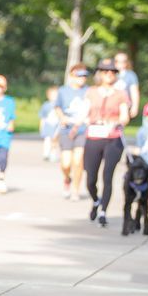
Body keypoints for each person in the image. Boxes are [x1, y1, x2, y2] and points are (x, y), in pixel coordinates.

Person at [84, 59, 130, 227]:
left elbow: (125, 116)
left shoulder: (120, 94)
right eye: (105, 72)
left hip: (112, 138)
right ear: (100, 74)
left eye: (112, 72)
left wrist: (117, 121)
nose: (108, 75)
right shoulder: (92, 92)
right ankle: (96, 200)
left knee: (108, 176)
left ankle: (103, 211)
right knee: (90, 178)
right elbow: (85, 111)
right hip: (94, 136)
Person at [54, 64, 90, 200]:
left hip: (82, 130)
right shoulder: (63, 91)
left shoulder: (89, 91)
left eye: (84, 75)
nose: (82, 78)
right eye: (79, 75)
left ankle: (76, 189)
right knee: (66, 163)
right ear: (72, 76)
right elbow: (57, 107)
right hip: (66, 130)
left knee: (78, 160)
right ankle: (67, 178)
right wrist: (62, 117)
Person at [114, 52, 140, 118]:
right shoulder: (110, 74)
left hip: (124, 106)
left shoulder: (131, 75)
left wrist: (135, 107)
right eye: (117, 61)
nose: (120, 64)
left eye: (123, 61)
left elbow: (134, 92)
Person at [39, 86, 60, 162]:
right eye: (52, 95)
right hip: (48, 126)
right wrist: (41, 126)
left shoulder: (60, 105)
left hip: (57, 126)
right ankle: (46, 153)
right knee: (47, 140)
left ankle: (53, 154)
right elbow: (43, 117)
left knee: (55, 141)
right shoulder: (46, 105)